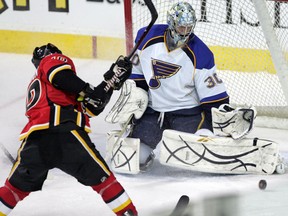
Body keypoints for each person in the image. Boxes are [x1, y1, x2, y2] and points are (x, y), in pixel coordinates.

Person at [0, 43, 138, 216]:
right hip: (64, 133)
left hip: (35, 141)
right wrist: (89, 90)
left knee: (13, 190)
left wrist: (110, 82)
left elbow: (92, 106)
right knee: (105, 182)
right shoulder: (51, 61)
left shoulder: (52, 91)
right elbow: (61, 76)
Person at [127, 1, 230, 170]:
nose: (186, 33)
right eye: (182, 28)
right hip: (155, 111)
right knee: (134, 158)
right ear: (172, 24)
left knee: (196, 157)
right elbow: (137, 74)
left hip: (187, 114)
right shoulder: (147, 38)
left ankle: (205, 139)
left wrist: (212, 128)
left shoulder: (201, 54)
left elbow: (214, 98)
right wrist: (134, 101)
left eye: (189, 28)